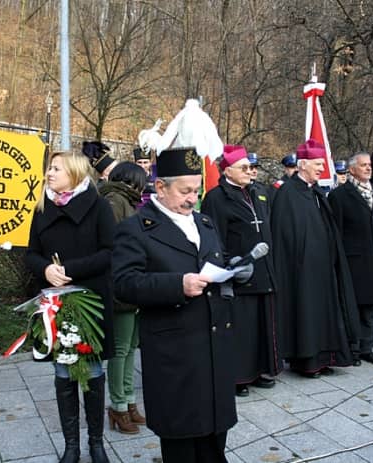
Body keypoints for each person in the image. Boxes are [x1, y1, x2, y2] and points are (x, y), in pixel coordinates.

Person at [112, 147, 237, 463]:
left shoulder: (205, 222)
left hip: (213, 346)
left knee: (215, 439)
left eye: (197, 190)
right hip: (175, 351)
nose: (192, 198)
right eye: (185, 191)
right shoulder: (136, 228)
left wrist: (236, 272)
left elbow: (215, 262)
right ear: (160, 187)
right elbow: (123, 283)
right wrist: (177, 285)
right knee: (182, 439)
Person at [25, 151, 115, 463]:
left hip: (90, 301)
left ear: (74, 173)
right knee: (63, 370)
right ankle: (71, 446)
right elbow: (31, 253)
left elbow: (110, 252)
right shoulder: (42, 207)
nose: (49, 173)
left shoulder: (99, 206)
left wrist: (70, 270)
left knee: (92, 371)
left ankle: (96, 443)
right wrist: (46, 270)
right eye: (49, 168)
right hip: (56, 302)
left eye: (56, 169)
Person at [271, 139, 360, 377]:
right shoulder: (287, 194)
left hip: (323, 267)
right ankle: (307, 362)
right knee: (306, 314)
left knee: (325, 313)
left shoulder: (316, 191)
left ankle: (325, 358)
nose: (322, 169)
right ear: (303, 165)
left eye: (323, 164)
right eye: (318, 164)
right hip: (301, 269)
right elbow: (284, 235)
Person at [201, 145, 280, 397]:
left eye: (251, 167)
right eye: (244, 167)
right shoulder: (216, 198)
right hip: (240, 272)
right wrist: (229, 262)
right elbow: (213, 236)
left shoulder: (257, 192)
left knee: (261, 325)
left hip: (263, 269)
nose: (250, 171)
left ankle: (260, 370)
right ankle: (240, 376)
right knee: (242, 328)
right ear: (228, 171)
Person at [98, 162, 147, 435]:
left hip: (133, 284)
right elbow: (116, 245)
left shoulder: (126, 201)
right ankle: (118, 405)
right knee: (120, 349)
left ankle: (128, 401)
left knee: (129, 348)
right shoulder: (115, 201)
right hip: (121, 287)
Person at [328, 152, 373, 365]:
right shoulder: (340, 195)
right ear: (352, 169)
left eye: (369, 165)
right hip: (352, 262)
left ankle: (366, 348)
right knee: (352, 307)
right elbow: (336, 231)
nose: (368, 168)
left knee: (370, 307)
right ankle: (352, 348)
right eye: (363, 165)